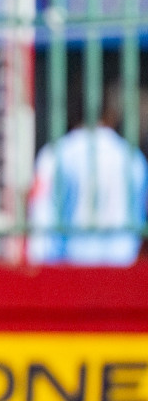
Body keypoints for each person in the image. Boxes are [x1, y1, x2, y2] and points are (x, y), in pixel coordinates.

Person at [27, 83, 147, 266]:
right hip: (123, 270)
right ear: (111, 114)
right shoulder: (133, 159)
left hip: (68, 272)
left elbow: (42, 221)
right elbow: (139, 216)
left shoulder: (56, 155)